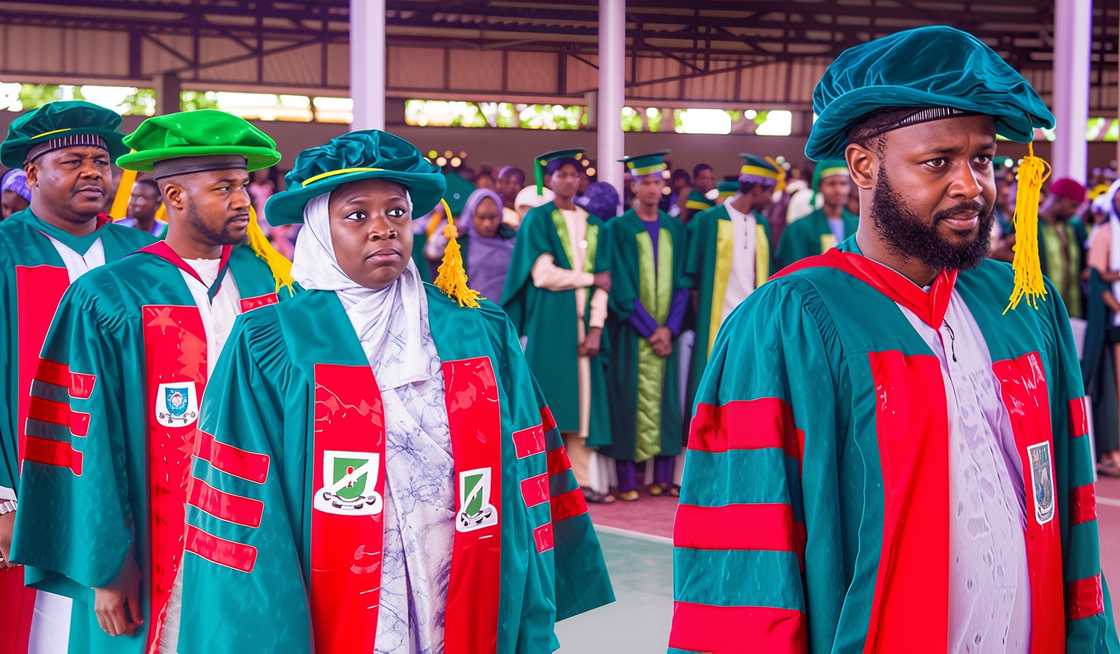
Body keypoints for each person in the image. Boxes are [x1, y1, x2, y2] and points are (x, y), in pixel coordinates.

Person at [670, 26, 1119, 653]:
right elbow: (744, 561)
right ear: (863, 165)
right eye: (938, 162)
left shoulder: (1023, 303)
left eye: (983, 159)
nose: (972, 185)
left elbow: (1069, 505)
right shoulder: (791, 321)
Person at [171, 129, 612, 652]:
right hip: (334, 583)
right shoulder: (272, 339)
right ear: (320, 230)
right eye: (357, 215)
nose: (382, 228)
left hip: (464, 562)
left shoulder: (474, 328)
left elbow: (523, 463)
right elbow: (243, 493)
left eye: (397, 212)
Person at [10, 109, 295, 654]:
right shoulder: (109, 294)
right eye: (224, 188)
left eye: (243, 185)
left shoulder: (267, 280)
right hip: (149, 532)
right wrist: (104, 564)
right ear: (176, 197)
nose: (243, 201)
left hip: (255, 529)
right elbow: (84, 438)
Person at [0, 100, 157, 654]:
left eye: (102, 162)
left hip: (135, 482)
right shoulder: (5, 252)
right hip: (29, 478)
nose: (93, 172)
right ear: (32, 173)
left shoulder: (144, 256)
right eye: (72, 161)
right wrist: (2, 498)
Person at [501, 149, 614, 503]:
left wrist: (596, 328)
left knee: (583, 405)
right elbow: (543, 275)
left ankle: (581, 482)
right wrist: (589, 278)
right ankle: (543, 481)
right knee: (548, 401)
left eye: (573, 174)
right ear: (549, 180)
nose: (567, 180)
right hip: (550, 322)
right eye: (560, 174)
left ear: (581, 181)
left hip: (584, 324)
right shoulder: (540, 219)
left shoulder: (595, 225)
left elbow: (606, 282)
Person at [603, 152, 688, 501]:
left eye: (657, 181)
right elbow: (620, 284)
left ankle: (663, 478)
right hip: (632, 333)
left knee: (666, 403)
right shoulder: (618, 229)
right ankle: (627, 481)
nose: (653, 188)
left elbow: (682, 283)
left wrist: (670, 328)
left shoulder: (674, 228)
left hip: (666, 334)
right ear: (633, 185)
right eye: (646, 182)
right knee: (627, 400)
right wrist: (650, 329)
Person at [684, 153, 779, 431]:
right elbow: (693, 277)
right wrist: (700, 318)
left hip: (751, 321)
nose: (772, 199)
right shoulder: (709, 220)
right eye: (769, 191)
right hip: (716, 317)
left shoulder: (761, 224)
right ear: (756, 189)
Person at [1083, 178, 1120, 478]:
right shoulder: (1104, 233)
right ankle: (1112, 451)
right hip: (1112, 321)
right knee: (1115, 389)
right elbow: (1097, 280)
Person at [425, 187, 515, 302]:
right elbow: (432, 255)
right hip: (472, 308)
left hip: (508, 308)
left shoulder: (511, 239)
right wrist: (443, 237)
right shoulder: (459, 244)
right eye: (481, 217)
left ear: (500, 215)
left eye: (493, 217)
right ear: (471, 215)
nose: (487, 224)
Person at [776, 159, 858, 267]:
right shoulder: (800, 228)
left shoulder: (858, 226)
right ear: (819, 187)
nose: (838, 190)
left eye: (843, 184)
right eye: (831, 184)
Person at [1037, 177, 1088, 318]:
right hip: (1041, 308)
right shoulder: (1029, 225)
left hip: (1072, 310)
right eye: (1073, 206)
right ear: (1058, 200)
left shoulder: (1073, 228)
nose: (1075, 211)